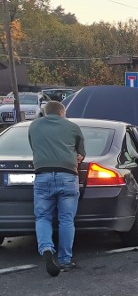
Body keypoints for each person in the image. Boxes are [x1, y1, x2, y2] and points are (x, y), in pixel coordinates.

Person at [28, 100, 85, 276]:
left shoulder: (33, 126)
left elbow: (34, 148)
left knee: (43, 216)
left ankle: (46, 248)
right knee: (66, 219)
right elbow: (81, 155)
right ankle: (65, 260)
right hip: (67, 176)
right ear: (62, 112)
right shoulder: (73, 127)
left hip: (42, 175)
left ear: (45, 112)